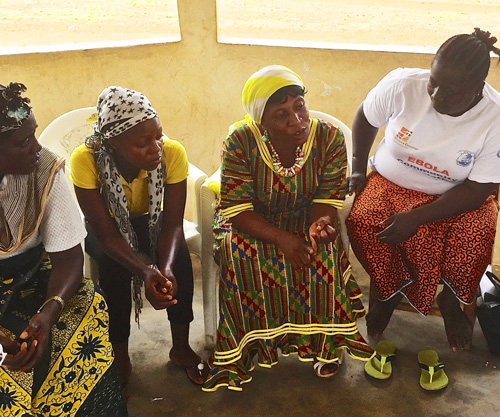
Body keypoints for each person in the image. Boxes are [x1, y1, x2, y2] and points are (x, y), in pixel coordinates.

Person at [202, 65, 373, 392]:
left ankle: (324, 346)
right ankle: (248, 348)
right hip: (252, 218)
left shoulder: (329, 138)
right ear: (260, 120)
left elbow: (326, 197)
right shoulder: (241, 140)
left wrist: (320, 224)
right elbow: (236, 209)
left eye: (299, 106)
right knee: (241, 256)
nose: (296, 120)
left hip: (304, 214)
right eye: (280, 114)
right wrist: (282, 239)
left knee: (320, 252)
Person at [346, 28, 500, 351]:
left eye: (451, 91)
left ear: (477, 89)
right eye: (434, 82)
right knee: (364, 219)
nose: (436, 96)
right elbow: (365, 116)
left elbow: (478, 189)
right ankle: (390, 291)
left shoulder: (495, 117)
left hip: (458, 196)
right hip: (391, 182)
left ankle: (451, 300)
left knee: (478, 229)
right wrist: (359, 167)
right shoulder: (403, 85)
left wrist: (417, 216)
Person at [69, 86, 207, 395]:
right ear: (112, 143)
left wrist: (165, 268)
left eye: (158, 136)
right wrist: (144, 270)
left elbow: (171, 225)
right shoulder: (85, 159)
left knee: (181, 260)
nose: (155, 148)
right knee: (112, 268)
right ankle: (120, 357)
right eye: (142, 143)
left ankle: (180, 347)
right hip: (107, 225)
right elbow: (105, 234)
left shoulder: (172, 152)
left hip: (151, 220)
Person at [0, 82, 127, 415]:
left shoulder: (45, 171)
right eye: (23, 142)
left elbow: (69, 257)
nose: (37, 149)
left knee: (87, 306)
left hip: (33, 275)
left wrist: (49, 310)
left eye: (35, 135)